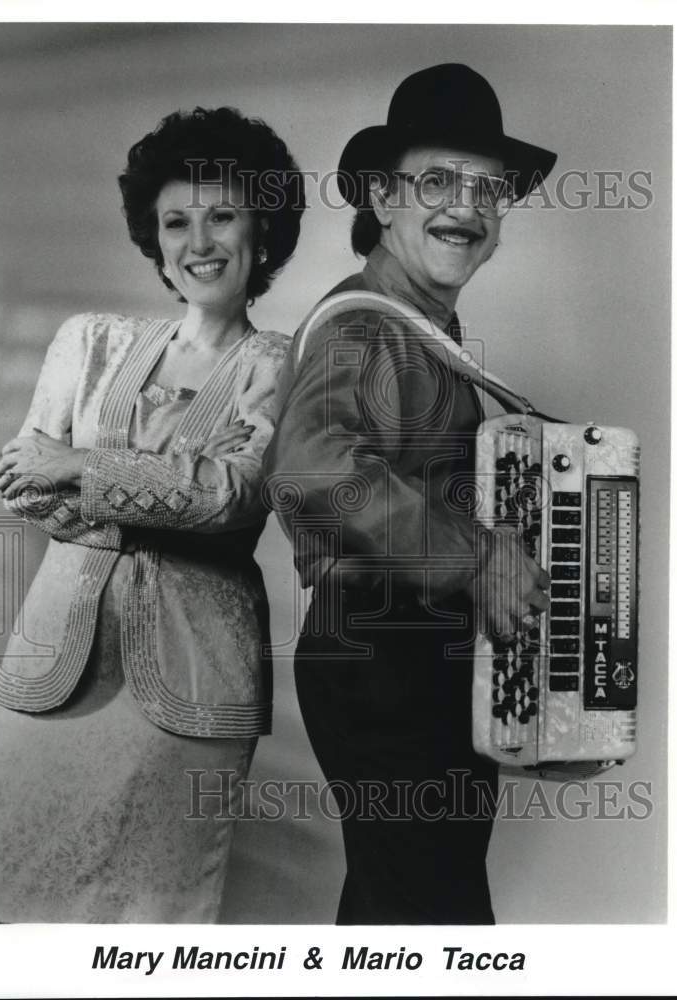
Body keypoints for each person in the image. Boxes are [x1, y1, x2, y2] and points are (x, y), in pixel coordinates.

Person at [0, 106, 304, 923]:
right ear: (154, 236)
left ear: (264, 233)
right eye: (176, 220)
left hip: (191, 684)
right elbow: (21, 483)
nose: (198, 241)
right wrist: (155, 494)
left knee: (149, 937)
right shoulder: (88, 341)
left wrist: (83, 467)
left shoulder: (284, 366)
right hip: (51, 671)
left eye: (222, 216)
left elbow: (232, 495)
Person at [264, 64, 555, 924]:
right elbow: (312, 466)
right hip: (381, 651)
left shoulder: (425, 328)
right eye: (436, 181)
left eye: (485, 190)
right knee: (435, 916)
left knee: (404, 908)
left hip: (413, 654)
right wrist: (476, 554)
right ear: (384, 201)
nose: (463, 207)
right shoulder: (362, 323)